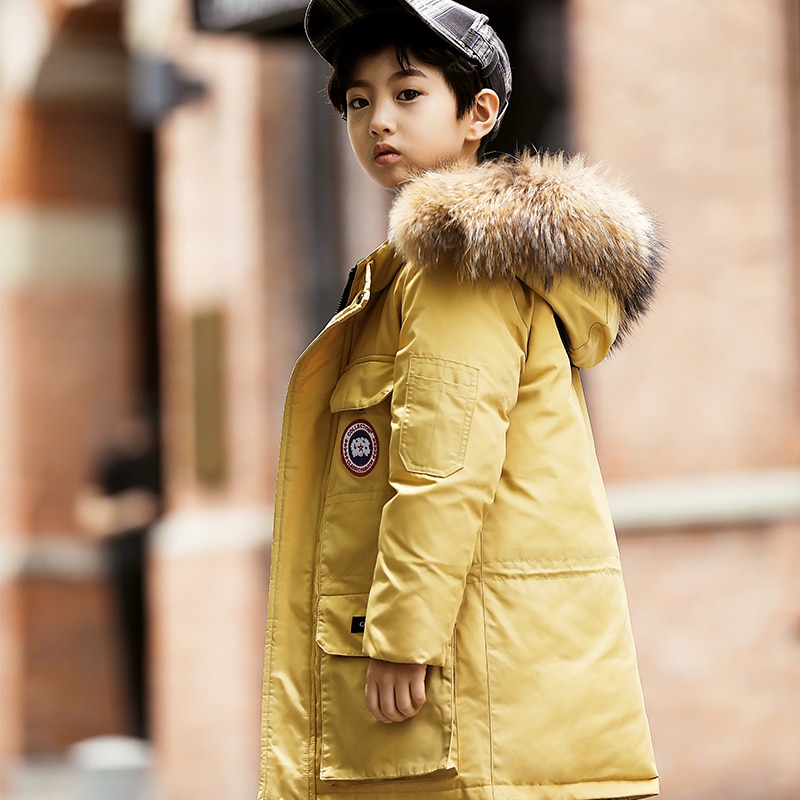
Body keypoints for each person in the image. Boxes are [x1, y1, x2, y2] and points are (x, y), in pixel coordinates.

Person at [258, 1, 661, 798]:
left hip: (465, 685)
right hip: (499, 675)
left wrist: (401, 636)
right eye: (359, 100)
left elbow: (442, 465)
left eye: (408, 93)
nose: (379, 119)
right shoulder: (420, 271)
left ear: (478, 114)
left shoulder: (456, 264)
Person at [75, 410, 162, 740]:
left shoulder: (161, 462)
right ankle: (140, 732)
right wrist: (130, 511)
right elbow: (89, 514)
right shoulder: (114, 464)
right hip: (126, 571)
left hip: (159, 573)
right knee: (132, 652)